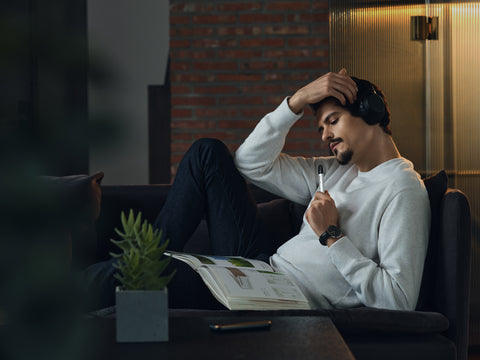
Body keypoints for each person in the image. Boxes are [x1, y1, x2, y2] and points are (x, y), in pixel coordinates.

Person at [83, 68, 430, 311]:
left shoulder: (402, 190)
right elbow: (250, 162)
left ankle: (55, 298)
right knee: (208, 152)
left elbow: (397, 300)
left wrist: (332, 236)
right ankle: (142, 259)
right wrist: (297, 100)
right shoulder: (337, 171)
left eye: (333, 120)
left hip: (282, 297)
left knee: (150, 271)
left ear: (373, 113)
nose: (324, 135)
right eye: (321, 125)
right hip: (262, 270)